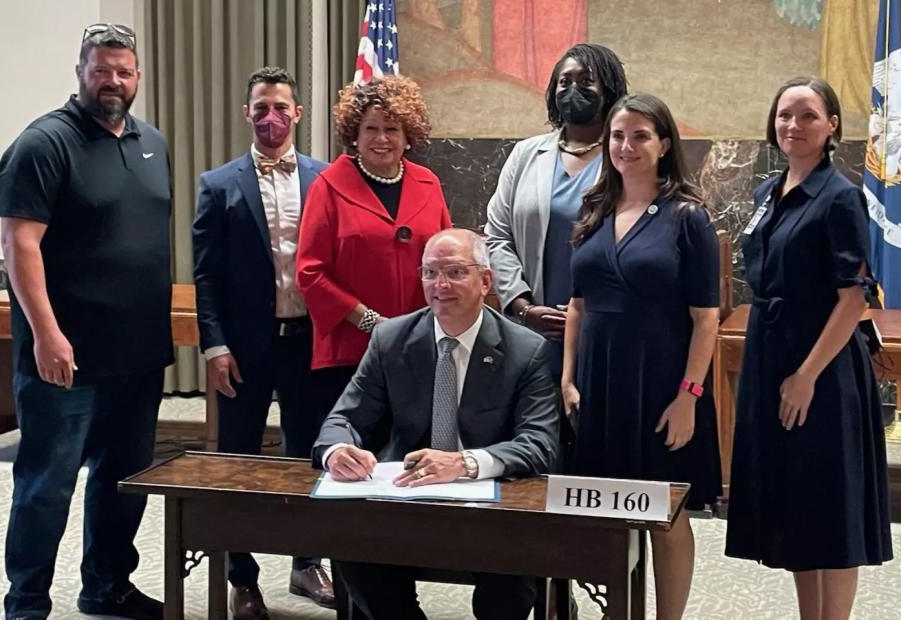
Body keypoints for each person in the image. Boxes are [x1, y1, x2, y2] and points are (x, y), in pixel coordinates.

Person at [0, 24, 169, 620]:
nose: (113, 82)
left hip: (138, 356)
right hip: (65, 358)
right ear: (81, 72)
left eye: (124, 71)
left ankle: (107, 586)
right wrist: (46, 334)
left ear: (138, 76)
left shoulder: (152, 142)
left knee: (123, 484)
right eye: (102, 70)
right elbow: (20, 244)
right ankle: (26, 603)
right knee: (47, 486)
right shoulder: (43, 144)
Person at [311, 228, 559, 620]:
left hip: (491, 508)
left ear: (486, 281)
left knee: (510, 583)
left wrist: (465, 463)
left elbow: (539, 442)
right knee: (354, 551)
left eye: (456, 272)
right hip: (405, 501)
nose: (440, 285)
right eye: (429, 273)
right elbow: (344, 418)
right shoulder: (391, 338)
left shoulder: (527, 351)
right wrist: (339, 450)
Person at [725, 77, 892, 620]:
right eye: (784, 115)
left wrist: (806, 376)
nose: (793, 126)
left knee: (831, 507)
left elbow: (853, 299)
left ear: (832, 126)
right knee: (796, 506)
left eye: (808, 116)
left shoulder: (840, 196)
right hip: (770, 353)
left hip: (821, 366)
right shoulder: (767, 191)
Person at [561, 93, 722, 620]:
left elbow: (706, 319)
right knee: (609, 511)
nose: (626, 147)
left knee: (665, 512)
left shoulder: (686, 216)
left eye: (640, 136)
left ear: (664, 144)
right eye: (617, 136)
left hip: (661, 386)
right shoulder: (593, 207)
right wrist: (567, 378)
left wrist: (689, 396)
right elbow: (578, 307)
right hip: (599, 384)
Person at [192, 67, 333, 618]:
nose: (270, 118)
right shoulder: (218, 184)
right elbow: (205, 276)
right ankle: (242, 578)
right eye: (260, 108)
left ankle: (306, 563)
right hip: (244, 350)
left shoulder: (326, 180)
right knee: (239, 463)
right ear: (246, 114)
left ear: (297, 113)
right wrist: (214, 346)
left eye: (280, 107)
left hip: (307, 344)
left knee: (311, 457)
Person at [295, 75, 452, 418]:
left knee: (411, 451)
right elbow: (310, 272)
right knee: (353, 455)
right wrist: (369, 322)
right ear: (355, 134)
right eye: (371, 128)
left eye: (392, 129)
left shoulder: (429, 183)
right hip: (350, 350)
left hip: (418, 346)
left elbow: (446, 260)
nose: (382, 138)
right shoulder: (328, 186)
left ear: (408, 136)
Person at [485, 43, 627, 378]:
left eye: (586, 81)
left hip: (604, 329)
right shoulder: (525, 154)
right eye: (565, 82)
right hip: (534, 331)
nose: (573, 89)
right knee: (537, 426)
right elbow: (497, 235)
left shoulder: (624, 156)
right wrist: (522, 307)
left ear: (608, 90)